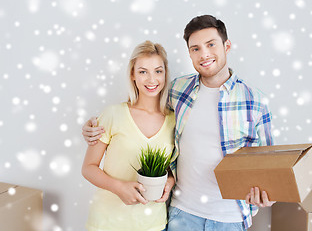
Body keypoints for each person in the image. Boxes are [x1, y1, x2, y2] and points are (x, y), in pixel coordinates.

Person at [83, 15, 275, 231]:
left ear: (226, 45)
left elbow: (271, 164)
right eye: (195, 48)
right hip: (182, 215)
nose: (204, 54)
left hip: (230, 218)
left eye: (211, 44)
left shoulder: (255, 101)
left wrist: (269, 194)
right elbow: (142, 114)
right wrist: (91, 127)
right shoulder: (179, 91)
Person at [81, 40, 175, 231]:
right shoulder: (112, 114)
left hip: (153, 224)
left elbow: (174, 167)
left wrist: (170, 181)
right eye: (143, 71)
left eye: (158, 71)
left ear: (165, 73)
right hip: (107, 223)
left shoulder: (174, 120)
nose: (151, 79)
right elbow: (88, 168)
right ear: (132, 74)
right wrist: (119, 187)